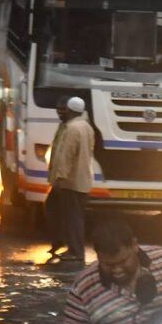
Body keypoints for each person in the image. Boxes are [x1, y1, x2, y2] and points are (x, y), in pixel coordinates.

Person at [46, 96, 95, 264]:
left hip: (70, 181)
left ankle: (75, 251)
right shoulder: (85, 126)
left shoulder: (73, 129)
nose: (60, 113)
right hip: (79, 180)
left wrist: (59, 177)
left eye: (63, 109)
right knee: (61, 211)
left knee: (72, 216)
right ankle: (61, 242)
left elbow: (66, 155)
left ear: (70, 110)